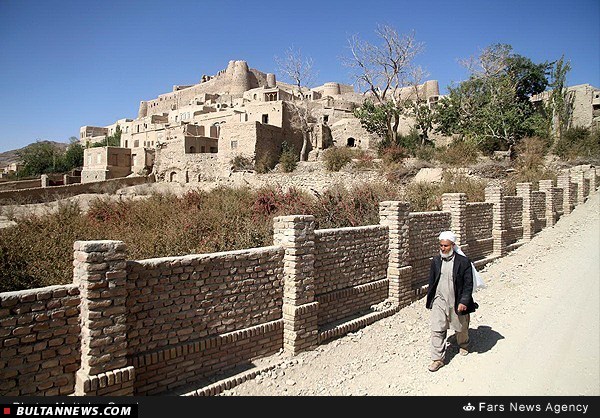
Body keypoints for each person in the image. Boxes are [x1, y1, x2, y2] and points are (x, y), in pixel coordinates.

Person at [425, 230, 478, 372]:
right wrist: (431, 299)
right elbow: (432, 282)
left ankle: (464, 344)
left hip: (456, 300)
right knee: (437, 329)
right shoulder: (436, 261)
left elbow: (468, 284)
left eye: (446, 246)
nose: (443, 248)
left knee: (460, 327)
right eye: (441, 245)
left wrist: (464, 301)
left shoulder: (463, 262)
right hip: (439, 300)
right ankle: (438, 359)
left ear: (453, 246)